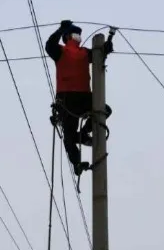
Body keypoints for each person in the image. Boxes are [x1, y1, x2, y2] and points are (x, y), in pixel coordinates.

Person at [45, 20, 114, 176]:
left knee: (104, 110)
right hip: (67, 98)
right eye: (76, 34)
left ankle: (82, 135)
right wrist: (60, 30)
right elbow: (49, 45)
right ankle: (77, 162)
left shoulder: (84, 52)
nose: (79, 37)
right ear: (68, 36)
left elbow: (98, 55)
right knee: (69, 134)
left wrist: (106, 49)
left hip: (79, 96)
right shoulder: (61, 51)